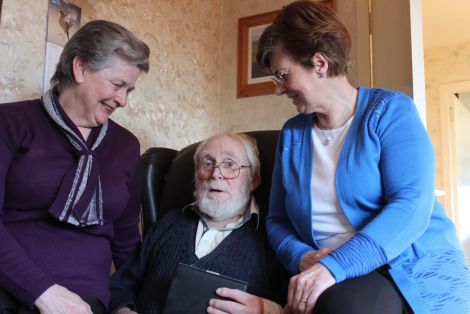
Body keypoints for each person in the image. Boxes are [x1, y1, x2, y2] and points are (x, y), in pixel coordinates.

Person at [208, 1, 470, 314]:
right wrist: (305, 257)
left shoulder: (390, 111)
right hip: (328, 273)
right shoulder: (292, 134)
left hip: (401, 263)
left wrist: (335, 265)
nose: (278, 90)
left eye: (281, 75)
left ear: (319, 63)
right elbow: (277, 220)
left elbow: (412, 205)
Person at [0, 20, 149, 313]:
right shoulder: (10, 123)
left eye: (129, 90)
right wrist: (43, 293)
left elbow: (126, 241)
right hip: (8, 289)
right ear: (80, 68)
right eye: (118, 84)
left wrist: (127, 303)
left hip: (85, 303)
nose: (122, 100)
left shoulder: (126, 146)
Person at [108, 133, 279, 314]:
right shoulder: (170, 222)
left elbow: (296, 306)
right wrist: (124, 311)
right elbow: (121, 284)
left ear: (253, 179)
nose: (215, 174)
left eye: (230, 164)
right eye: (207, 163)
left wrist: (267, 310)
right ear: (196, 173)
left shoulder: (273, 238)